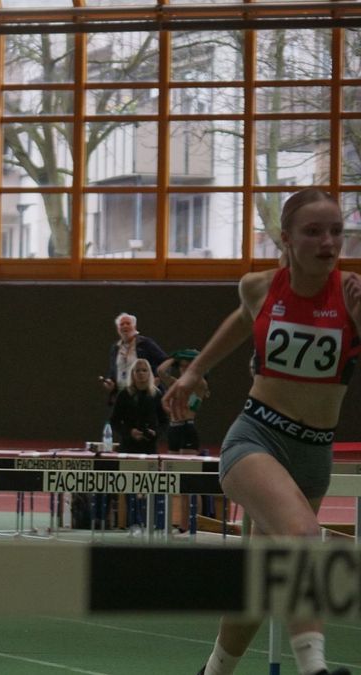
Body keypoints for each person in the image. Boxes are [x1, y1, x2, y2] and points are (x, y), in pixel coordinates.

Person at [163, 188, 359, 675]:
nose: (328, 242)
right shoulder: (259, 287)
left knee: (260, 583)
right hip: (256, 438)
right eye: (313, 232)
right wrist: (194, 371)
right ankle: (314, 668)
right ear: (286, 238)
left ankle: (212, 672)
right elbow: (242, 319)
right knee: (303, 536)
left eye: (336, 231)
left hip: (314, 454)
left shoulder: (353, 295)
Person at [109, 358, 166, 535]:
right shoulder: (124, 395)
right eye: (137, 370)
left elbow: (165, 422)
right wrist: (129, 432)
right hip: (129, 447)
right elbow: (114, 421)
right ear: (132, 374)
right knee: (130, 486)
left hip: (149, 447)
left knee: (150, 485)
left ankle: (152, 522)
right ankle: (133, 523)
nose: (141, 374)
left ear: (149, 374)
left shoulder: (156, 395)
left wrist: (155, 433)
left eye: (144, 370)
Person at [158, 349, 213, 529]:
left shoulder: (200, 383)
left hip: (187, 429)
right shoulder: (176, 384)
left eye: (187, 365)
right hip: (174, 430)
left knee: (189, 481)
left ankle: (194, 523)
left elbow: (197, 384)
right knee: (177, 481)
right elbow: (160, 371)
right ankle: (181, 524)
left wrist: (195, 363)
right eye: (181, 366)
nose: (184, 369)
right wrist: (173, 358)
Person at [98, 312, 168, 404]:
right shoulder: (115, 348)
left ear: (134, 327)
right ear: (118, 329)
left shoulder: (145, 344)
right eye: (122, 324)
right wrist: (110, 382)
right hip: (123, 395)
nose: (125, 326)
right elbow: (113, 370)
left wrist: (156, 379)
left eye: (128, 323)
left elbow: (165, 362)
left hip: (145, 394)